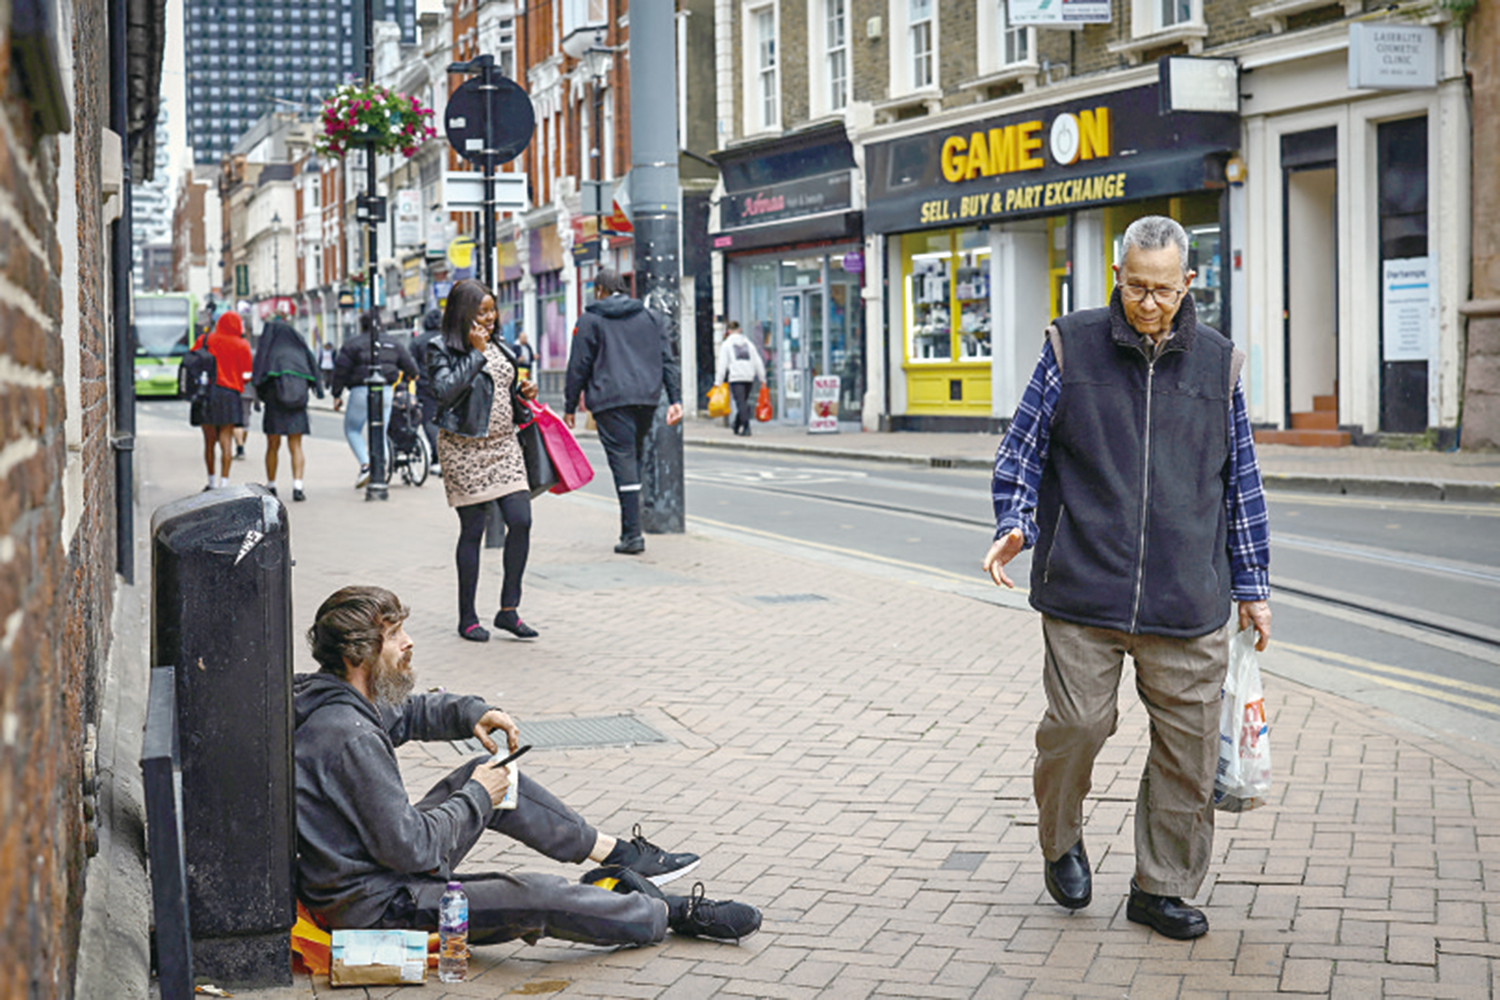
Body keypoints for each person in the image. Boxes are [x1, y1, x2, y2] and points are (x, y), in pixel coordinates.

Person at [982, 215, 1271, 941]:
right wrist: (1016, 522)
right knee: (1079, 724)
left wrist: (1253, 584)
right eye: (1137, 287)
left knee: (1188, 751)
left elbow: (1241, 483)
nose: (1149, 303)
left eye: (1164, 291)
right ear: (1118, 276)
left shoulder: (1219, 364)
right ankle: (1059, 838)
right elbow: (1022, 447)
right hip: (1084, 586)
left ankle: (1160, 887)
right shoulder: (1070, 346)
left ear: (1189, 283)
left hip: (1188, 597)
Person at [294, 585, 762, 948]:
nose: (409, 642)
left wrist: (470, 713)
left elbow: (411, 713)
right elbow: (412, 849)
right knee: (533, 895)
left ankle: (619, 856)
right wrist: (479, 795)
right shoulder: (349, 736)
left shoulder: (343, 700)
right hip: (381, 905)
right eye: (394, 635)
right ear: (358, 654)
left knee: (493, 773)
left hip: (385, 871)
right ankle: (665, 912)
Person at [426, 279, 539, 642]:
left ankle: (509, 609)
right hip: (464, 447)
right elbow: (444, 393)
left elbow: (502, 390)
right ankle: (468, 617)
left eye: (492, 310)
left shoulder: (501, 345)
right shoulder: (440, 348)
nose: (490, 318)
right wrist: (475, 354)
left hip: (504, 445)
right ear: (463, 314)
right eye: (482, 311)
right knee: (473, 530)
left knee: (520, 520)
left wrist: (524, 392)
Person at [562, 269, 683, 555]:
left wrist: (569, 406)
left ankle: (632, 535)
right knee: (634, 457)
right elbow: (668, 359)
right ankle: (631, 530)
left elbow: (578, 365)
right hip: (646, 398)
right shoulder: (651, 317)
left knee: (624, 461)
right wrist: (675, 398)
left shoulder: (590, 320)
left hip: (610, 399)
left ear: (601, 290)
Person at [331, 312, 420, 488]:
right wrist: (411, 377)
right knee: (381, 430)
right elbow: (411, 368)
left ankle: (366, 466)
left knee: (352, 429)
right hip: (386, 390)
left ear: (361, 325)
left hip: (359, 391)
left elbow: (341, 370)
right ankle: (380, 468)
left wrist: (336, 394)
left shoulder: (352, 344)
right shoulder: (394, 343)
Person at [252, 319, 322, 501]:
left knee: (272, 445)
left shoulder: (271, 351)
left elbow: (259, 375)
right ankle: (298, 486)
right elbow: (314, 372)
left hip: (275, 403)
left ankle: (272, 485)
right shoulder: (299, 350)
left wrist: (259, 397)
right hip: (297, 404)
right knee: (296, 446)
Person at [191, 311, 254, 490]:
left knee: (209, 441)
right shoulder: (242, 345)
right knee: (226, 440)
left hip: (207, 394)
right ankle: (224, 483)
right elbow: (247, 375)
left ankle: (211, 482)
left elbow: (192, 361)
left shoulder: (204, 340)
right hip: (230, 396)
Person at [715, 321, 766, 437]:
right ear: (739, 330)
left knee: (741, 403)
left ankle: (746, 427)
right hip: (749, 377)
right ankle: (737, 425)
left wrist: (718, 382)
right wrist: (762, 378)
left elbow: (722, 365)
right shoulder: (748, 343)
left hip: (736, 377)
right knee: (743, 402)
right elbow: (757, 361)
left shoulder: (726, 345)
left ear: (728, 331)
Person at [411, 308, 445, 475]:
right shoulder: (446, 340)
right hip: (447, 385)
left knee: (429, 422)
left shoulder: (418, 341)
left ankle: (438, 456)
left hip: (425, 386)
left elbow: (411, 365)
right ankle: (438, 458)